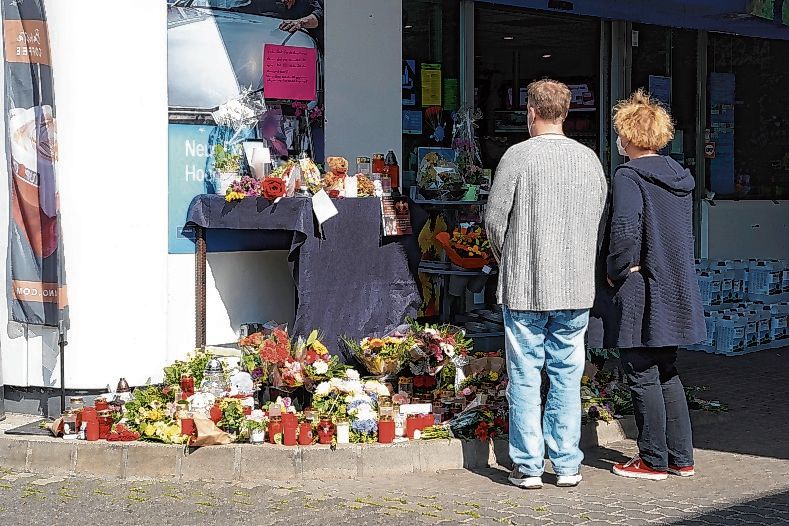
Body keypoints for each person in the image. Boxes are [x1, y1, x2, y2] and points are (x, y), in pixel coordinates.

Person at [485, 79, 608, 489]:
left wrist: (510, 259)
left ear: (531, 113)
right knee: (567, 376)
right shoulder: (590, 160)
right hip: (574, 286)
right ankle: (568, 463)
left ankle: (528, 465)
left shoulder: (517, 156)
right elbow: (599, 220)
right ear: (566, 113)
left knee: (524, 375)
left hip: (526, 286)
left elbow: (494, 222)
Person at [594, 89, 705, 480]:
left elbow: (624, 229)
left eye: (620, 133)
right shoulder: (678, 178)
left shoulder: (629, 176)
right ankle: (682, 457)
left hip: (641, 287)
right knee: (667, 369)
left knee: (640, 370)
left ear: (629, 136)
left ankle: (653, 459)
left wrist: (616, 270)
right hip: (674, 285)